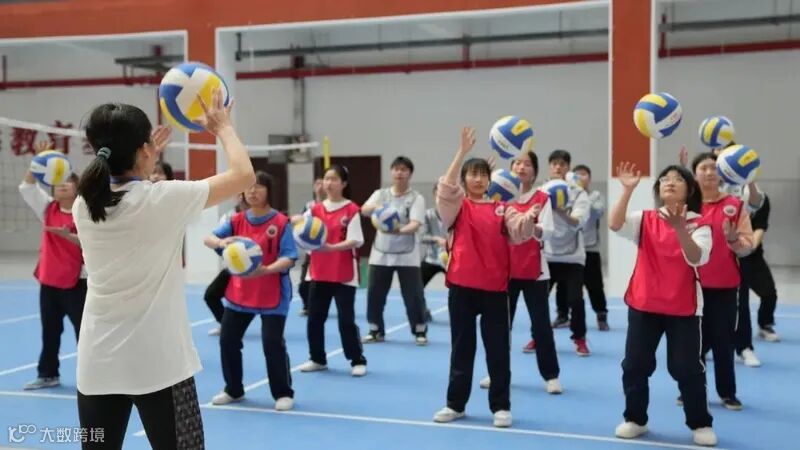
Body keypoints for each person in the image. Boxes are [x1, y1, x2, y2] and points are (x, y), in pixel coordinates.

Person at [73, 89, 255, 449]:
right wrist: (223, 127)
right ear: (144, 151)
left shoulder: (84, 203)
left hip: (98, 361)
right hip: (160, 363)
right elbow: (244, 175)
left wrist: (144, 153)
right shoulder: (163, 199)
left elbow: (128, 185)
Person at [431, 127, 540, 429]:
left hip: (495, 289)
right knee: (461, 349)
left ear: (490, 181)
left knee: (498, 351)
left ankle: (501, 406)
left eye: (483, 175)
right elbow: (445, 188)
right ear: (465, 180)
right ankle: (455, 404)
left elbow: (520, 233)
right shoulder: (456, 208)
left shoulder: (502, 209)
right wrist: (462, 152)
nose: (478, 179)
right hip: (461, 288)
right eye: (473, 174)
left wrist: (529, 218)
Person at [610, 162, 717, 447]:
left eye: (677, 179)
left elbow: (696, 258)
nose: (669, 182)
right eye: (664, 179)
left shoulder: (700, 223)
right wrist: (627, 190)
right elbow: (615, 224)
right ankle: (635, 419)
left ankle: (700, 423)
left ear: (689, 190)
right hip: (644, 304)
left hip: (683, 308)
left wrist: (680, 229)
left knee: (686, 368)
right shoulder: (645, 218)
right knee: (635, 364)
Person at [204, 171, 297, 411]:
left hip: (272, 293)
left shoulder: (281, 222)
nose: (253, 191)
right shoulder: (236, 220)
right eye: (249, 187)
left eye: (259, 186)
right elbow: (208, 238)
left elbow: (289, 257)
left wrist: (265, 270)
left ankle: (283, 392)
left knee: (272, 344)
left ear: (269, 191)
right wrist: (221, 243)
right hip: (240, 293)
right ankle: (233, 389)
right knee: (228, 340)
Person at [478, 150, 562, 394]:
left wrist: (530, 224)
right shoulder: (500, 198)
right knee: (501, 326)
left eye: (527, 164)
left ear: (534, 171)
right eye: (516, 163)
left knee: (541, 326)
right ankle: (497, 373)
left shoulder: (542, 198)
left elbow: (548, 232)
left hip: (535, 271)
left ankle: (551, 376)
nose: (521, 167)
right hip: (505, 271)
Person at [19, 142, 85, 391]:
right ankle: (48, 374)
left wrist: (70, 237)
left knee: (84, 334)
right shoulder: (47, 208)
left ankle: (91, 377)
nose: (62, 185)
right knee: (50, 331)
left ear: (77, 187)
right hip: (49, 281)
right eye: (58, 183)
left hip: (77, 282)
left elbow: (93, 243)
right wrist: (39, 161)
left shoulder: (85, 212)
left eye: (68, 181)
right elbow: (27, 186)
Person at [690, 152, 754, 411]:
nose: (709, 172)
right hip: (691, 286)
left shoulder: (735, 205)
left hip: (725, 287)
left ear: (723, 173)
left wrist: (733, 240)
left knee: (723, 342)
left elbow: (747, 247)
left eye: (714, 168)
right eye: (703, 168)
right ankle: (691, 390)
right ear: (694, 174)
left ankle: (727, 393)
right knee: (693, 344)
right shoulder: (686, 205)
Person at [296, 164, 368, 377]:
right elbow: (300, 231)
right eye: (326, 178)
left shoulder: (351, 209)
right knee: (315, 319)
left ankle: (357, 359)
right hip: (319, 271)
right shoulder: (314, 210)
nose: (329, 183)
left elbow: (356, 240)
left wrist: (331, 248)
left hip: (344, 274)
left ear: (344, 184)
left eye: (334, 179)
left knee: (346, 321)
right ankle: (317, 358)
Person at [361, 156, 428, 345]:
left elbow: (415, 224)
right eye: (396, 169)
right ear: (391, 172)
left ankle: (419, 330)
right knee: (375, 294)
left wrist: (398, 230)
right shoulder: (380, 194)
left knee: (413, 295)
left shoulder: (416, 198)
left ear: (410, 174)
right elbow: (364, 210)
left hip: (408, 254)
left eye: (404, 169)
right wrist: (378, 208)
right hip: (381, 253)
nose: (399, 173)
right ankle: (375, 329)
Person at [543, 150, 591, 356]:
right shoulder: (542, 192)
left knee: (575, 301)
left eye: (562, 164)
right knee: (538, 300)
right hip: (547, 255)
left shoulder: (578, 193)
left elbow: (579, 222)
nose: (558, 167)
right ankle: (539, 337)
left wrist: (561, 211)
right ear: (549, 167)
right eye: (554, 163)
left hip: (573, 257)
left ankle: (579, 338)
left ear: (568, 167)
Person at [735, 193, 780, 367]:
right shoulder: (713, 196)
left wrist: (749, 247)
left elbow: (760, 225)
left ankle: (764, 325)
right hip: (721, 257)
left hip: (750, 255)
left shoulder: (757, 197)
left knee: (768, 293)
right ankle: (705, 345)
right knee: (714, 306)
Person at [203, 194, 249, 336]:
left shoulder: (260, 217)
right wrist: (221, 244)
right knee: (211, 295)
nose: (241, 197)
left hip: (257, 268)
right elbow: (212, 239)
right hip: (235, 266)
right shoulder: (229, 218)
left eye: (243, 192)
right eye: (238, 193)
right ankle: (226, 325)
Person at [572, 164, 609, 331]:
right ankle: (563, 314)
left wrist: (583, 197)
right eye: (577, 175)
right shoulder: (567, 196)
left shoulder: (596, 196)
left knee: (595, 285)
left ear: (590, 178)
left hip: (590, 248)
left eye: (584, 174)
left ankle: (601, 315)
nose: (580, 178)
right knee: (567, 286)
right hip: (571, 250)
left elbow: (598, 212)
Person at [419, 185, 447, 322]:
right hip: (432, 259)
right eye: (438, 195)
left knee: (461, 290)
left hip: (453, 260)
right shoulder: (428, 215)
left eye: (444, 196)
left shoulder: (457, 214)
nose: (441, 198)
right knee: (416, 286)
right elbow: (421, 236)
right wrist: (436, 239)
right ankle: (422, 310)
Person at [298, 177, 325, 316]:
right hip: (311, 250)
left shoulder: (330, 205)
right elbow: (301, 223)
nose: (320, 186)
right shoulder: (309, 206)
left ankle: (319, 305)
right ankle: (307, 305)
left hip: (327, 248)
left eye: (322, 183)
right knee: (303, 284)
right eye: (317, 184)